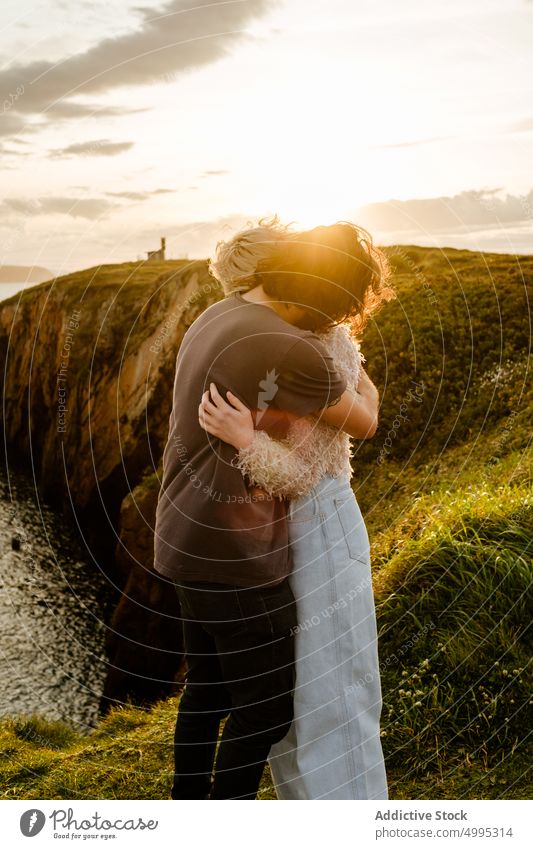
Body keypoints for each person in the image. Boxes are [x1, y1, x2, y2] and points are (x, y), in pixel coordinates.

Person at [153, 216, 390, 799]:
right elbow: (366, 420)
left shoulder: (217, 312)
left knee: (207, 688)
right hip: (234, 553)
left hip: (178, 535)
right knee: (264, 709)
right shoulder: (286, 343)